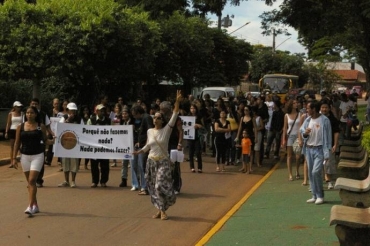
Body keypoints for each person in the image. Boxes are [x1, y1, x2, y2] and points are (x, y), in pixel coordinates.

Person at [133, 90, 182, 220]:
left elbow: (175, 113)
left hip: (163, 162)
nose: (156, 119)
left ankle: (163, 209)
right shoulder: (150, 131)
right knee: (153, 188)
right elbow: (148, 145)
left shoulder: (167, 130)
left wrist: (177, 101)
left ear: (162, 120)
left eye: (159, 117)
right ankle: (161, 210)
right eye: (154, 117)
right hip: (151, 162)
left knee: (159, 185)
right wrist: (139, 151)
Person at [12, 106, 54, 215]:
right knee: (30, 183)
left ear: (36, 114)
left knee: (31, 181)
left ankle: (30, 206)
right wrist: (13, 158)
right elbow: (17, 143)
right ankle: (35, 205)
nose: (29, 114)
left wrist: (53, 141)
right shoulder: (20, 127)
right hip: (24, 156)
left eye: (31, 113)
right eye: (27, 113)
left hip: (37, 155)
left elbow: (45, 141)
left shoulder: (41, 127)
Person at [300, 100, 332, 205]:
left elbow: (328, 137)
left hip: (320, 149)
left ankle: (320, 195)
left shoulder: (324, 120)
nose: (307, 110)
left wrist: (327, 152)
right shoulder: (307, 120)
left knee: (315, 172)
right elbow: (302, 133)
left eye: (308, 108)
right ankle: (314, 195)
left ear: (313, 109)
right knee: (311, 173)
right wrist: (305, 133)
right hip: (309, 149)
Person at [160, 101, 183, 194]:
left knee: (175, 166)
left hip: (174, 144)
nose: (161, 111)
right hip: (164, 144)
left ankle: (176, 186)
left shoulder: (176, 118)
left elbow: (181, 131)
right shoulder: (161, 118)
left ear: (168, 109)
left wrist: (180, 143)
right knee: (164, 166)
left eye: (163, 109)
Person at [131, 104, 154, 194]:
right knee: (140, 166)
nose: (134, 117)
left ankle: (145, 187)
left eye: (134, 114)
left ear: (138, 113)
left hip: (145, 146)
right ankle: (144, 186)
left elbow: (150, 131)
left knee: (142, 166)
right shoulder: (143, 118)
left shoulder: (146, 118)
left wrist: (147, 144)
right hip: (142, 145)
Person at [87, 104, 111, 187]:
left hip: (105, 146)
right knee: (94, 165)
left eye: (103, 110)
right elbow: (86, 131)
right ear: (96, 111)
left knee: (105, 165)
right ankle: (95, 181)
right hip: (94, 147)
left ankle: (103, 181)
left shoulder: (108, 120)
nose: (102, 112)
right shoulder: (91, 120)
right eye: (101, 110)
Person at [58, 103, 81, 188]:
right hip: (65, 144)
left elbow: (82, 129)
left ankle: (73, 181)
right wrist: (68, 120)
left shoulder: (79, 119)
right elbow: (60, 128)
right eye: (71, 110)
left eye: (74, 110)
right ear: (67, 110)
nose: (73, 112)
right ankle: (66, 180)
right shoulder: (63, 118)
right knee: (65, 162)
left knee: (74, 163)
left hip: (75, 144)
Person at [320, 100, 340, 189]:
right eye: (322, 107)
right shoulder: (317, 118)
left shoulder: (333, 119)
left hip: (329, 145)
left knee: (329, 164)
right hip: (318, 145)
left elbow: (336, 132)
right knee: (319, 164)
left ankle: (329, 181)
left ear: (329, 108)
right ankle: (319, 182)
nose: (324, 109)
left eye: (326, 107)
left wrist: (335, 144)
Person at [282, 99, 301, 181]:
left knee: (298, 156)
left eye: (296, 102)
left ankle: (297, 170)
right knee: (289, 156)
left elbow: (301, 127)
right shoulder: (286, 115)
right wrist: (283, 139)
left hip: (298, 136)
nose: (296, 104)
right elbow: (285, 128)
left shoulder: (300, 114)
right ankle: (290, 174)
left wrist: (301, 137)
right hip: (290, 136)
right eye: (294, 103)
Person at [5, 101, 23, 168]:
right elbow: (8, 123)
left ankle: (22, 160)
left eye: (20, 107)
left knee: (19, 146)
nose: (19, 108)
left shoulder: (22, 114)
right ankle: (12, 162)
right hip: (12, 130)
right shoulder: (10, 114)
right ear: (14, 107)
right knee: (12, 147)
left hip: (20, 130)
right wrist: (6, 132)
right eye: (17, 107)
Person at [119, 108, 134, 187]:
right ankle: (123, 180)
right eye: (123, 114)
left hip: (132, 145)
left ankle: (135, 181)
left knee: (133, 164)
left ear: (129, 114)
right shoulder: (122, 123)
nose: (124, 115)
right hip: (124, 146)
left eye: (125, 114)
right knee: (124, 163)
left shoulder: (133, 122)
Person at [187, 103, 204, 173]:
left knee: (198, 152)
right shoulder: (188, 116)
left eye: (194, 108)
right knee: (191, 153)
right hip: (190, 136)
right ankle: (192, 167)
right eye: (191, 108)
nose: (192, 110)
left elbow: (202, 126)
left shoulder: (199, 117)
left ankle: (199, 167)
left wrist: (197, 125)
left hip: (197, 136)